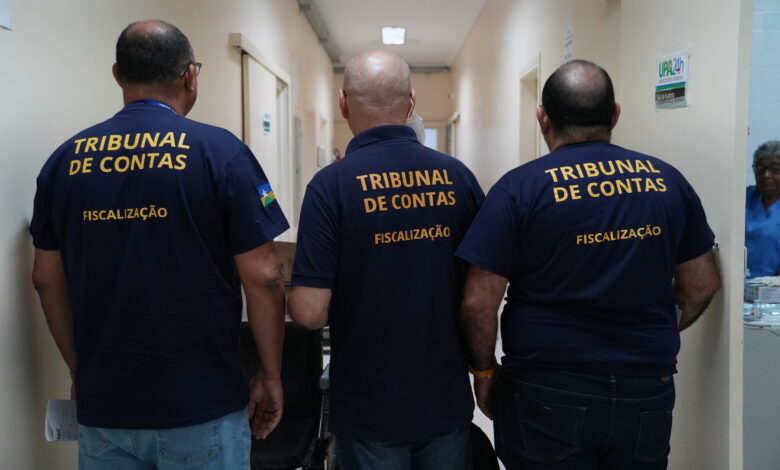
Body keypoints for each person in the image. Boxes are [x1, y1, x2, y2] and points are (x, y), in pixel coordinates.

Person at [30, 20, 289, 469]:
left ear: (117, 75)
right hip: (200, 405)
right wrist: (270, 374)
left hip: (105, 407)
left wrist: (80, 370)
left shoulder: (64, 162)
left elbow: (45, 280)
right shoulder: (220, 153)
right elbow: (265, 277)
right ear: (190, 77)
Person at [456, 60, 721, 470]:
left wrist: (485, 372)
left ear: (543, 118)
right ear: (614, 114)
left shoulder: (518, 189)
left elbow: (477, 303)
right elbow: (701, 285)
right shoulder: (668, 182)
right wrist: (651, 326)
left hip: (547, 386)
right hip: (645, 387)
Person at [288, 50, 484, 470]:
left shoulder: (329, 187)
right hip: (444, 398)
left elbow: (308, 312)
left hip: (368, 404)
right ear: (411, 103)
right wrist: (484, 370)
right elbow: (480, 295)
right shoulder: (459, 178)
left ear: (344, 104)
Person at [746, 140, 780, 277]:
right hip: (738, 283)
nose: (766, 175)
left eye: (775, 169)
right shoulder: (745, 197)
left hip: (774, 286)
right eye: (760, 168)